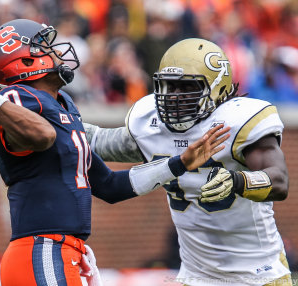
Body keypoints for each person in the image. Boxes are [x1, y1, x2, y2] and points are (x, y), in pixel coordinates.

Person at [0, 19, 230, 286]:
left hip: (64, 251)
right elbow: (43, 135)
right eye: (45, 46)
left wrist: (179, 164)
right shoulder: (14, 95)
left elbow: (110, 186)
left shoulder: (64, 105)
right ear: (25, 61)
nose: (57, 52)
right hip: (42, 249)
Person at [83, 38, 292, 286]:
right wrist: (53, 117)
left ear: (217, 88)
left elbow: (279, 181)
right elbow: (95, 141)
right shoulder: (153, 125)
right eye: (169, 86)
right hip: (194, 275)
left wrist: (238, 180)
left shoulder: (236, 122)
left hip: (258, 274)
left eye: (186, 88)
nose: (174, 96)